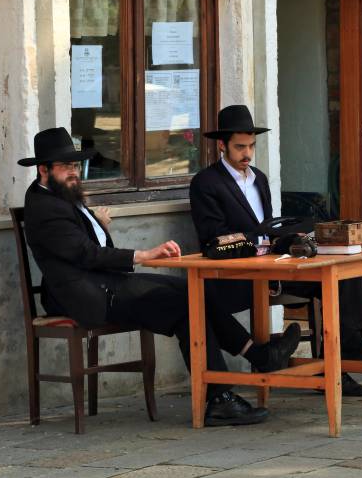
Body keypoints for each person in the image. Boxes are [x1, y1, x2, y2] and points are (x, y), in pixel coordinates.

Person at [20, 127, 301, 426]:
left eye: (75, 165)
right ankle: (221, 397)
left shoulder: (61, 194)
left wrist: (97, 224)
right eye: (65, 167)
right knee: (183, 306)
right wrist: (143, 255)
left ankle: (256, 359)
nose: (73, 172)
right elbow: (85, 253)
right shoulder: (44, 207)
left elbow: (88, 242)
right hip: (86, 297)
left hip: (106, 283)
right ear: (43, 169)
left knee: (194, 291)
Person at [189, 105, 362, 397]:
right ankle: (333, 360)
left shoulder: (260, 179)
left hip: (275, 267)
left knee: (339, 267)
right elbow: (213, 237)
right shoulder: (206, 183)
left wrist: (289, 237)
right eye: (240, 147)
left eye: (252, 146)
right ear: (222, 145)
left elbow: (268, 227)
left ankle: (344, 351)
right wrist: (261, 240)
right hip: (236, 275)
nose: (247, 154)